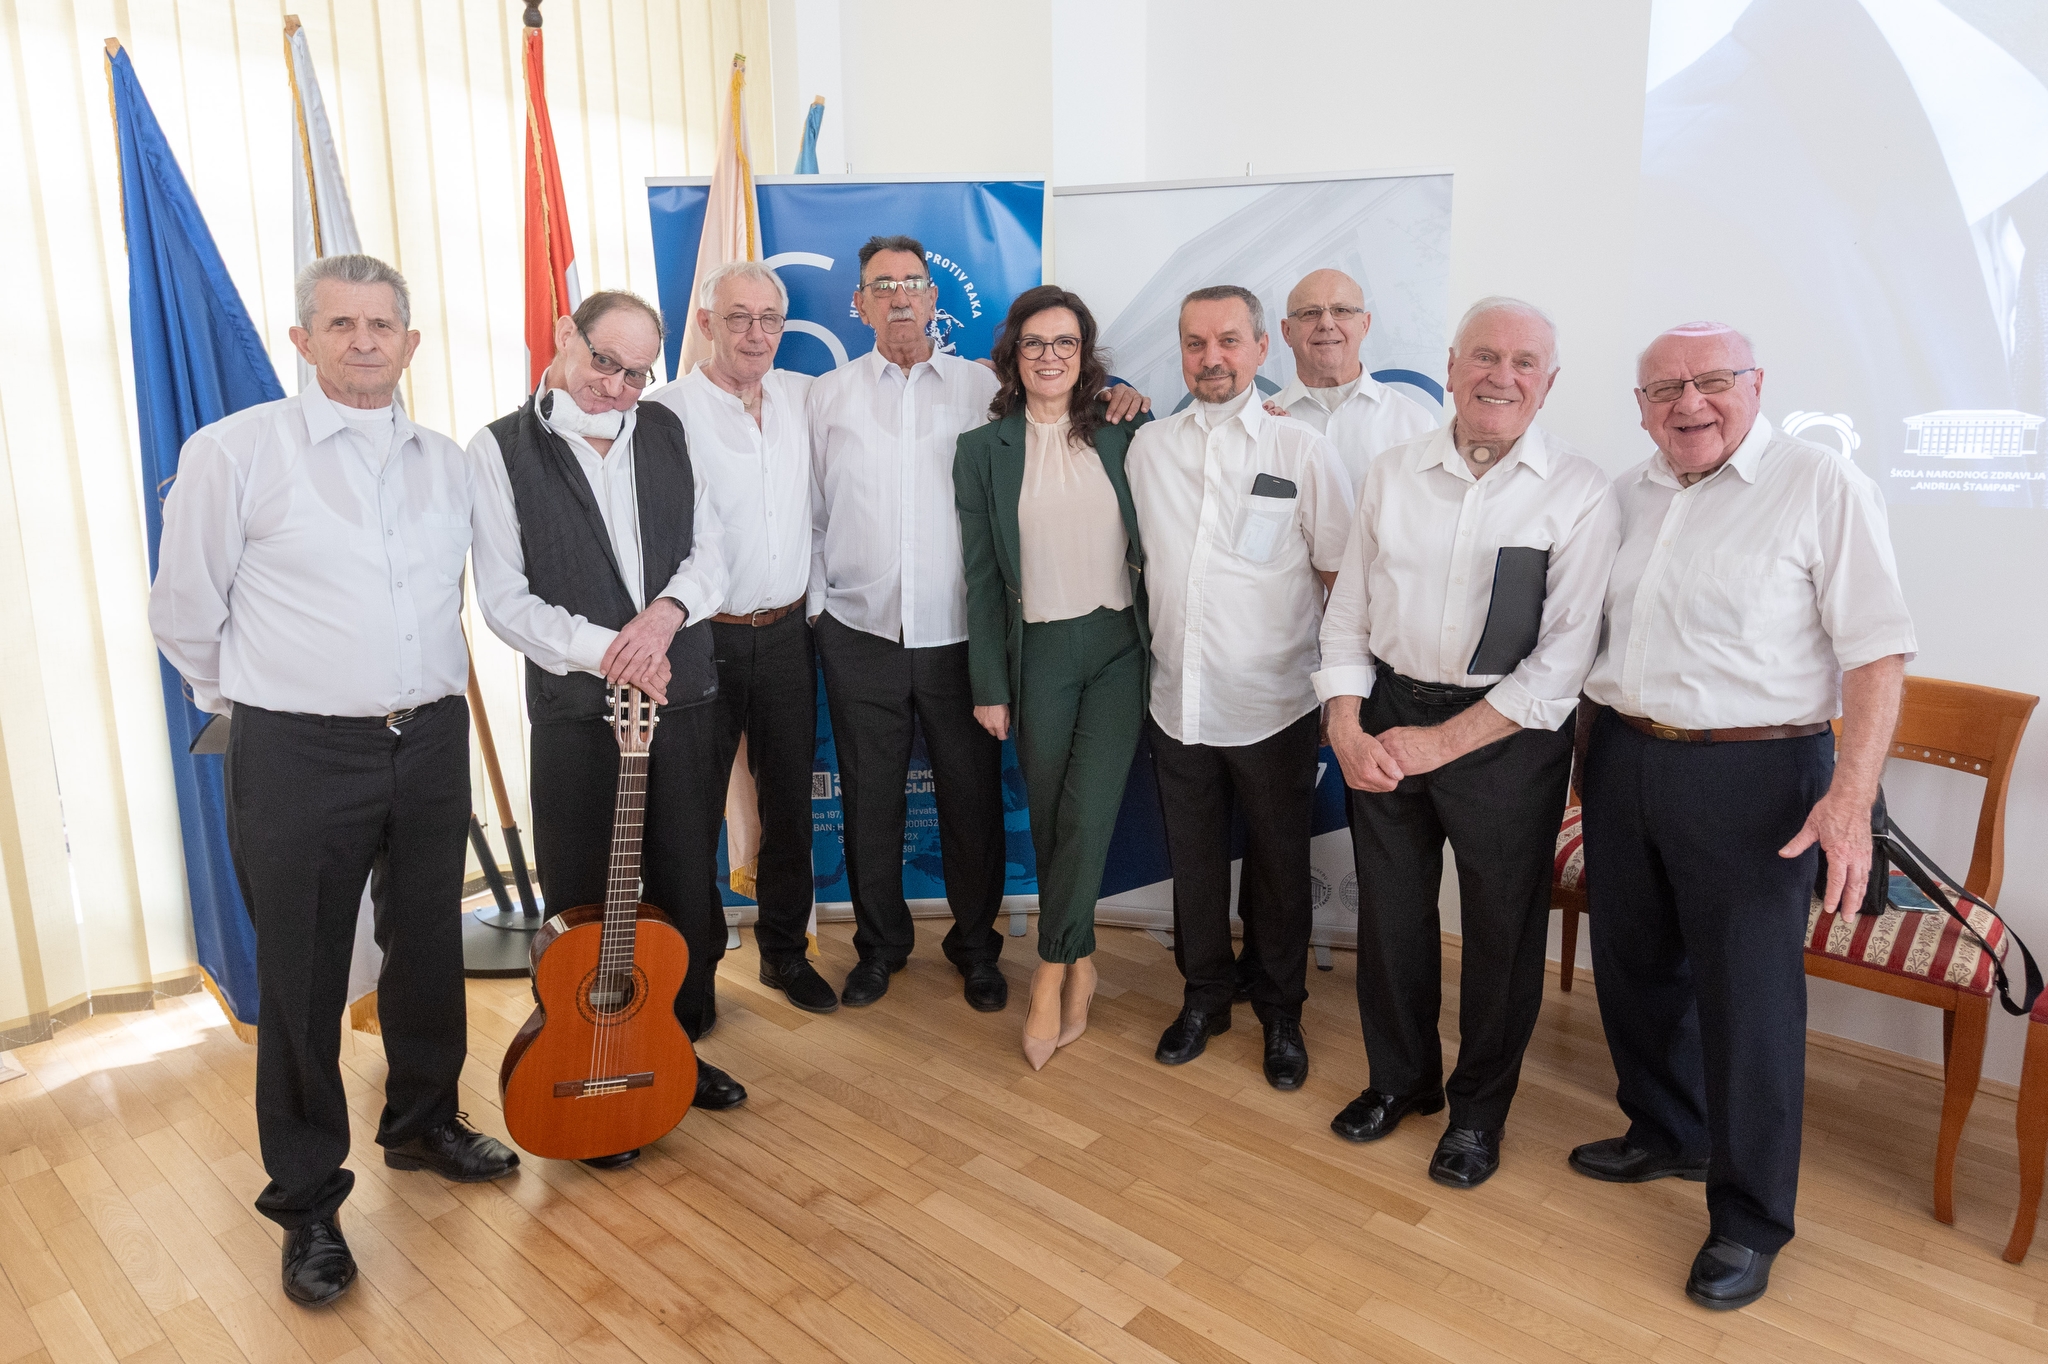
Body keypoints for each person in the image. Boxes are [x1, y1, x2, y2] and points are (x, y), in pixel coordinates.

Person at [149, 254, 517, 1307]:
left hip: (429, 737)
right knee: (304, 974)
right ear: (303, 339)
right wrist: (265, 703)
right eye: (341, 324)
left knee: (428, 942)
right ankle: (307, 1200)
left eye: (381, 324)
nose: (364, 341)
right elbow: (184, 612)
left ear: (411, 342)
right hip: (296, 748)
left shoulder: (448, 462)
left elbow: (479, 596)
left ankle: (424, 1122)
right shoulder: (234, 452)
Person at [1573, 322, 1915, 1309]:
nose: (1689, 402)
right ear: (1640, 407)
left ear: (1756, 385)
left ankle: (1750, 1219)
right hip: (1624, 754)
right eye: (1664, 389)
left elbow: (1877, 653)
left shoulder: (1820, 485)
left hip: (1757, 772)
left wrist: (1849, 798)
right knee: (1634, 966)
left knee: (1748, 1004)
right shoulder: (1624, 494)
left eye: (1712, 380)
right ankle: (1667, 1130)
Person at [1316, 297, 1620, 1189]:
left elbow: (1560, 666)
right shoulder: (1392, 473)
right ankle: (1400, 1081)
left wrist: (1436, 746)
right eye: (1485, 356)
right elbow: (1347, 615)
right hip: (1388, 712)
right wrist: (1344, 724)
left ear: (1548, 384)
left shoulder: (1580, 491)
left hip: (1507, 736)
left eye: (1524, 363)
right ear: (1451, 367)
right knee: (1391, 919)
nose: (1501, 376)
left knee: (1499, 935)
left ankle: (1478, 1114)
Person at [807, 234, 1146, 1011]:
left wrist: (1123, 393)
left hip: (963, 635)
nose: (899, 297)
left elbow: (1067, 410)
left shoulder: (984, 385)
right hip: (860, 632)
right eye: (881, 285)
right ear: (859, 303)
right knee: (869, 802)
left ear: (935, 300)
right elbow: (812, 512)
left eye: (912, 283)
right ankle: (879, 949)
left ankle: (975, 949)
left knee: (971, 802)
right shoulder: (826, 396)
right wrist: (822, 610)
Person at [468, 288, 745, 1171]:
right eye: (604, 363)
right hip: (578, 713)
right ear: (565, 336)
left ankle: (676, 1049)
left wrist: (664, 617)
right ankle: (588, 1061)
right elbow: (504, 600)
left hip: (680, 693)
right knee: (586, 899)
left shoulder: (667, 430)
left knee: (686, 884)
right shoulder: (498, 449)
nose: (618, 387)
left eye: (637, 373)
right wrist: (612, 652)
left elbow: (713, 551)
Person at [1126, 284, 1350, 1089]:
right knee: (1192, 865)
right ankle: (1204, 998)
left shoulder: (1302, 450)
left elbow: (1339, 575)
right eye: (1195, 343)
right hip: (1176, 700)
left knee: (1281, 869)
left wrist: (1338, 692)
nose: (1211, 358)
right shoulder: (1148, 449)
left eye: (1228, 341)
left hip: (1274, 704)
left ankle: (1281, 1011)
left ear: (1261, 348)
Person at [954, 285, 1150, 1069]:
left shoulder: (1124, 432)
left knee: (1089, 813)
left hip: (1118, 649)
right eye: (1035, 342)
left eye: (1065, 342)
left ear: (1084, 353)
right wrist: (989, 684)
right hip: (1036, 654)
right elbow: (980, 577)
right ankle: (1084, 959)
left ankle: (1048, 972)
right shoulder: (981, 450)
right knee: (1049, 818)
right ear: (1013, 355)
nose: (1050, 356)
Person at [646, 262, 834, 1014]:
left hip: (787, 634)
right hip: (701, 641)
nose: (756, 334)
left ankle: (785, 956)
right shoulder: (664, 412)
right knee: (689, 816)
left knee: (790, 805)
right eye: (738, 318)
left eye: (769, 319)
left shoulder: (803, 396)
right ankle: (692, 980)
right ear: (705, 324)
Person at [1268, 268, 1439, 496]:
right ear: (1287, 331)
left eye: (1341, 310)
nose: (1326, 323)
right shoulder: (1261, 425)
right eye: (1310, 313)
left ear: (1364, 325)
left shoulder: (1415, 424)